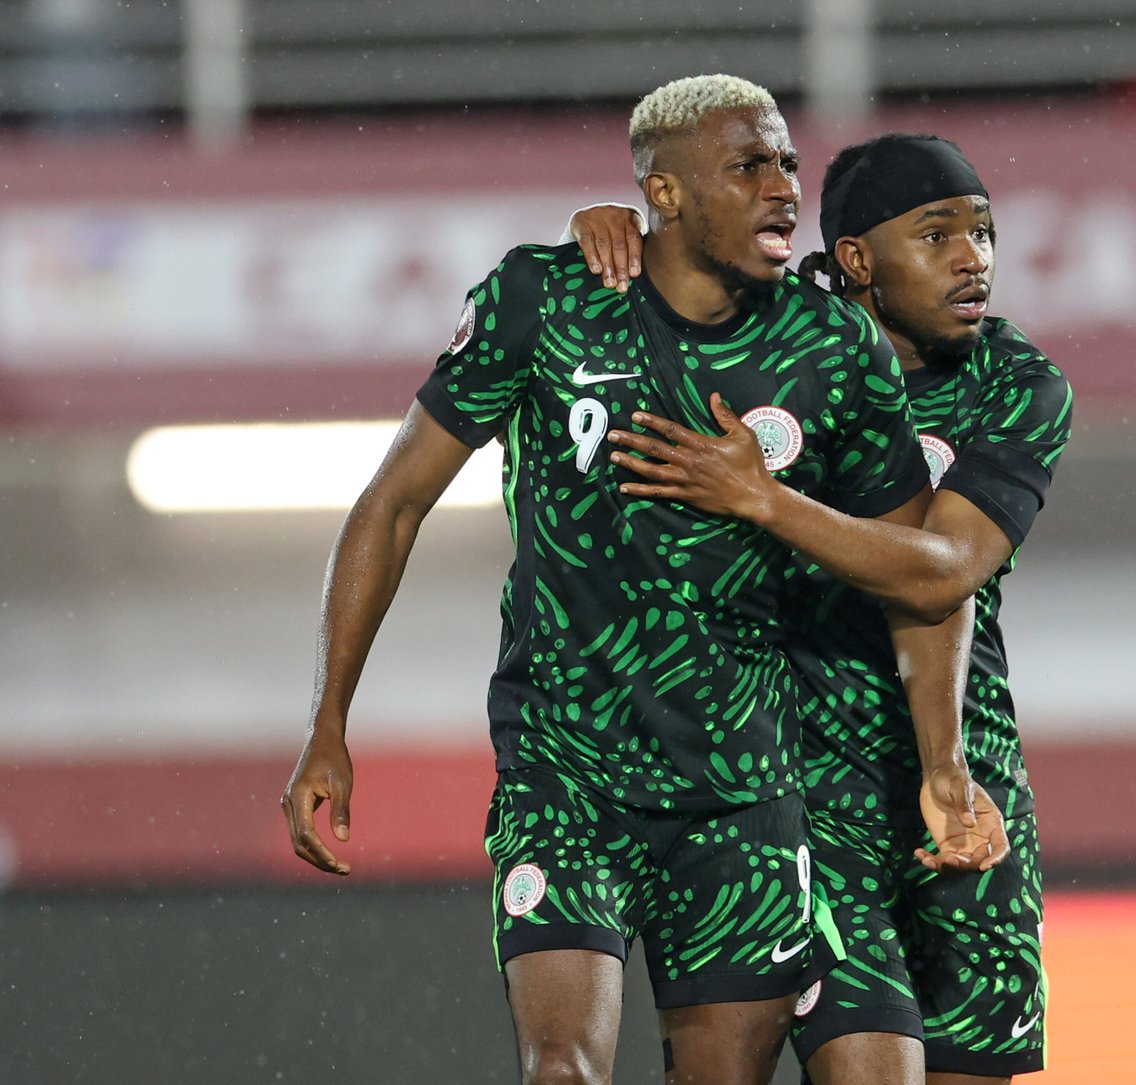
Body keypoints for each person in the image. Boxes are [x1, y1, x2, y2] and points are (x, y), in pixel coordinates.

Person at [282, 77, 1004, 1085]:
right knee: (561, 1068)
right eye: (747, 166)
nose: (783, 188)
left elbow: (919, 578)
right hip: (565, 769)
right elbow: (393, 502)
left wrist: (942, 761)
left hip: (743, 793)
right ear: (664, 193)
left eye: (787, 163)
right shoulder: (548, 300)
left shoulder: (831, 346)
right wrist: (328, 719)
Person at [571, 133, 1072, 1084]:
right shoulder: (771, 345)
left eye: (983, 233)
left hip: (967, 785)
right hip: (805, 796)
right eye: (938, 235)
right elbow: (660, 289)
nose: (974, 258)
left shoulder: (1019, 386)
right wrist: (606, 238)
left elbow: (942, 573)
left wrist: (763, 499)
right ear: (857, 261)